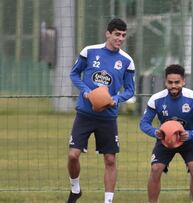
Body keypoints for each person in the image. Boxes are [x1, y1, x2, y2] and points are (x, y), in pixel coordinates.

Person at [66, 18, 135, 203]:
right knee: (73, 155)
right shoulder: (89, 51)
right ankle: (75, 189)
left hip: (108, 117)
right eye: (117, 35)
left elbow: (130, 90)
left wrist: (116, 99)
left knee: (110, 160)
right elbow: (74, 74)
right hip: (85, 114)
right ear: (108, 33)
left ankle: (108, 201)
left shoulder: (127, 61)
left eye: (123, 36)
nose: (120, 39)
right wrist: (86, 91)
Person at [139, 64, 193, 203]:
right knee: (155, 169)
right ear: (165, 82)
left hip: (189, 141)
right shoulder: (156, 99)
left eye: (177, 82)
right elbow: (143, 123)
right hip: (165, 141)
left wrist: (190, 134)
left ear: (183, 81)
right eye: (170, 82)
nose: (173, 86)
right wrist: (156, 132)